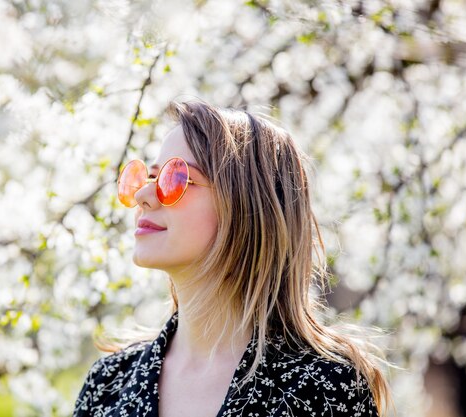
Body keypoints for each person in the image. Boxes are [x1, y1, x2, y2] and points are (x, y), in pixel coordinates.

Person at [72, 99, 392, 417]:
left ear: (246, 207)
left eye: (176, 178)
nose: (143, 196)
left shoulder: (324, 387)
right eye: (149, 177)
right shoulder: (108, 384)